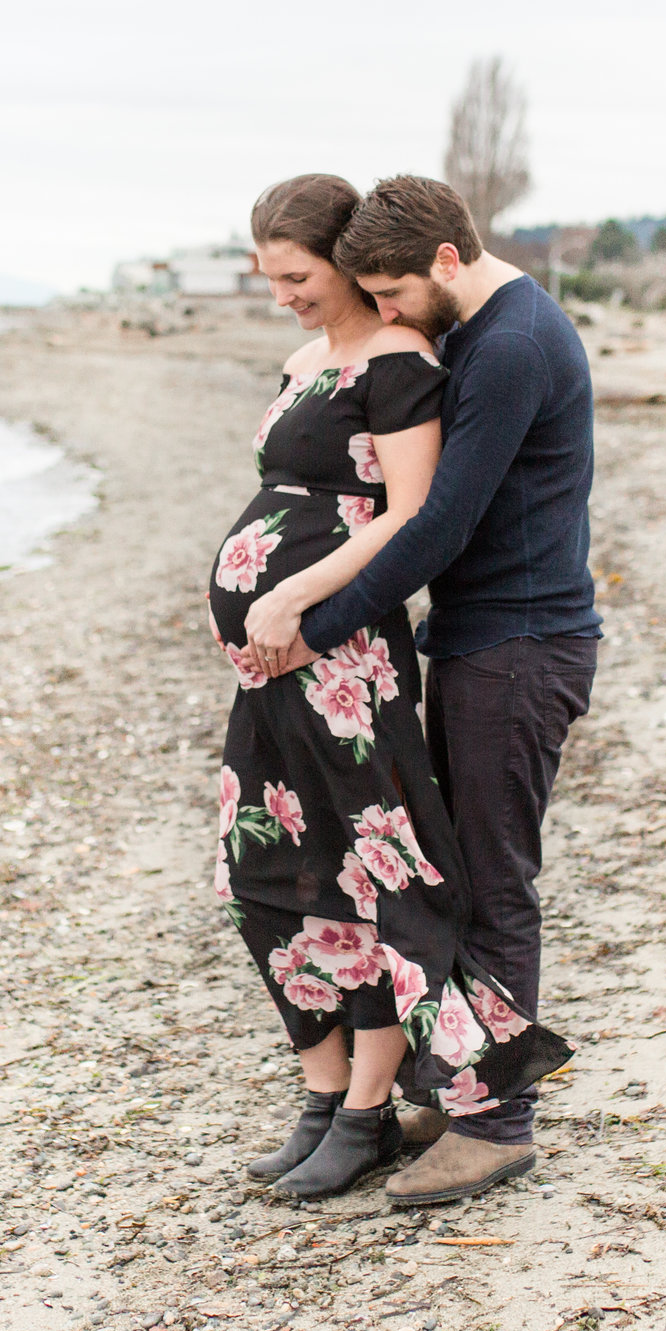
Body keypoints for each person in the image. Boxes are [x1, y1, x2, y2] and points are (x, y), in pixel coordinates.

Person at [209, 174, 571, 1203]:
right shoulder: (469, 332)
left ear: (441, 265)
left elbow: (430, 522)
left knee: (456, 880)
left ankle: (486, 1117)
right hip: (453, 638)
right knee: (297, 871)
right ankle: (404, 1098)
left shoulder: (495, 346)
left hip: (509, 640)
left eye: (388, 289)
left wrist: (302, 618)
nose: (394, 309)